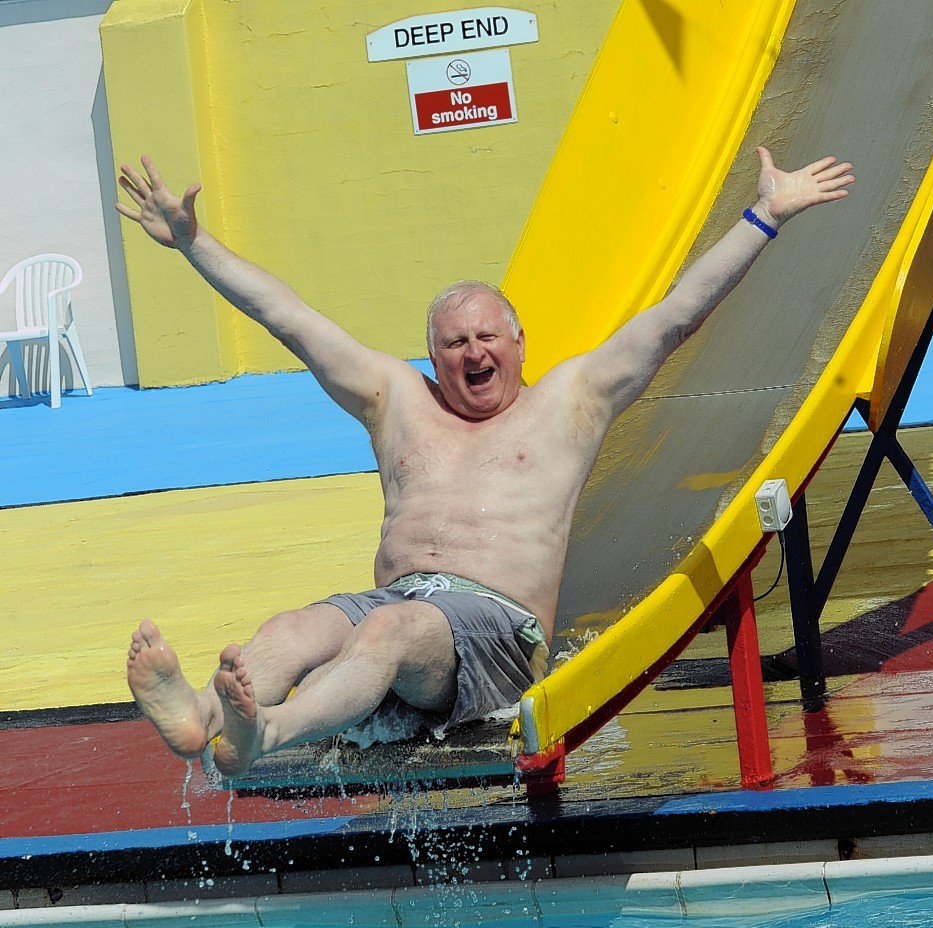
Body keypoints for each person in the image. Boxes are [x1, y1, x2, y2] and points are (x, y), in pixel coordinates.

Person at [118, 147, 853, 777]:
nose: (473, 353)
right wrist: (193, 242)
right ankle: (202, 714)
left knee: (388, 631)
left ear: (520, 341)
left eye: (486, 337)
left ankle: (268, 732)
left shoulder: (572, 402)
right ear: (432, 358)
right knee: (298, 627)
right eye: (453, 344)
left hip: (496, 633)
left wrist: (766, 217)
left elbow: (673, 318)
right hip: (402, 607)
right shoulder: (397, 400)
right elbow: (289, 318)